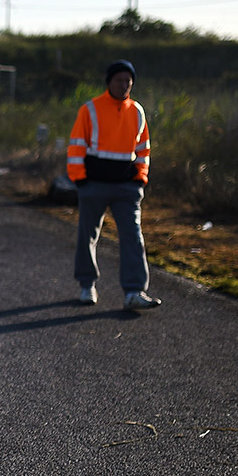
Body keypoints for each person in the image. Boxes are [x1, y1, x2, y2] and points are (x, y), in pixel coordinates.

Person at [68, 59, 160, 311]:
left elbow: (143, 149)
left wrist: (140, 178)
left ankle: (134, 291)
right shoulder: (90, 109)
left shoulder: (137, 111)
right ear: (109, 81)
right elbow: (76, 145)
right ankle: (87, 286)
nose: (124, 84)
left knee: (133, 237)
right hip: (93, 184)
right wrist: (80, 179)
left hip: (126, 187)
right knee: (87, 235)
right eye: (119, 80)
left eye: (128, 80)